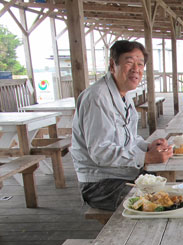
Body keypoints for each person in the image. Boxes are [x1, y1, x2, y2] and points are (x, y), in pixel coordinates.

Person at [71, 40, 173, 212]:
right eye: (129, 62)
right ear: (113, 65)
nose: (136, 69)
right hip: (100, 185)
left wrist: (148, 146)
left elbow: (130, 139)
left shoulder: (124, 96)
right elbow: (100, 152)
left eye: (140, 64)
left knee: (172, 192)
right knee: (158, 205)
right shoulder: (97, 97)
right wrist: (147, 157)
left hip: (123, 174)